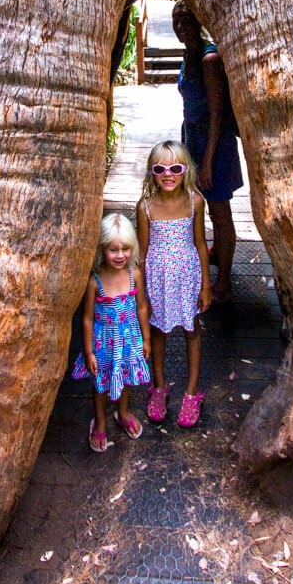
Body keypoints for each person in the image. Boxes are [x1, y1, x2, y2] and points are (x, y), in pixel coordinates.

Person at [136, 140, 211, 428]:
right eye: (160, 169)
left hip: (188, 276)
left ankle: (192, 392)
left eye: (175, 168)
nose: (168, 174)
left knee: (192, 331)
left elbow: (201, 244)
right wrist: (140, 292)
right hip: (157, 278)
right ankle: (158, 386)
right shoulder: (144, 207)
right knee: (158, 332)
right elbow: (142, 253)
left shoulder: (195, 201)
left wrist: (206, 284)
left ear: (185, 171)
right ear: (152, 173)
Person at [172, 1, 243, 302]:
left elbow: (216, 113)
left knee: (219, 209)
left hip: (214, 143)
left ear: (198, 22)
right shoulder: (188, 56)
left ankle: (224, 281)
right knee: (205, 205)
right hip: (194, 140)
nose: (181, 28)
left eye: (187, 22)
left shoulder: (208, 58)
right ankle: (215, 253)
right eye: (177, 23)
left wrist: (208, 162)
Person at [72, 213, 151, 452]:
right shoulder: (94, 281)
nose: (120, 256)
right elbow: (86, 318)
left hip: (128, 341)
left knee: (125, 377)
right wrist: (88, 352)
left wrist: (146, 338)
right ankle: (100, 419)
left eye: (125, 249)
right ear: (102, 249)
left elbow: (142, 307)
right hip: (103, 343)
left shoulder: (134, 274)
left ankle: (123, 411)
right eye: (113, 250)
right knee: (100, 383)